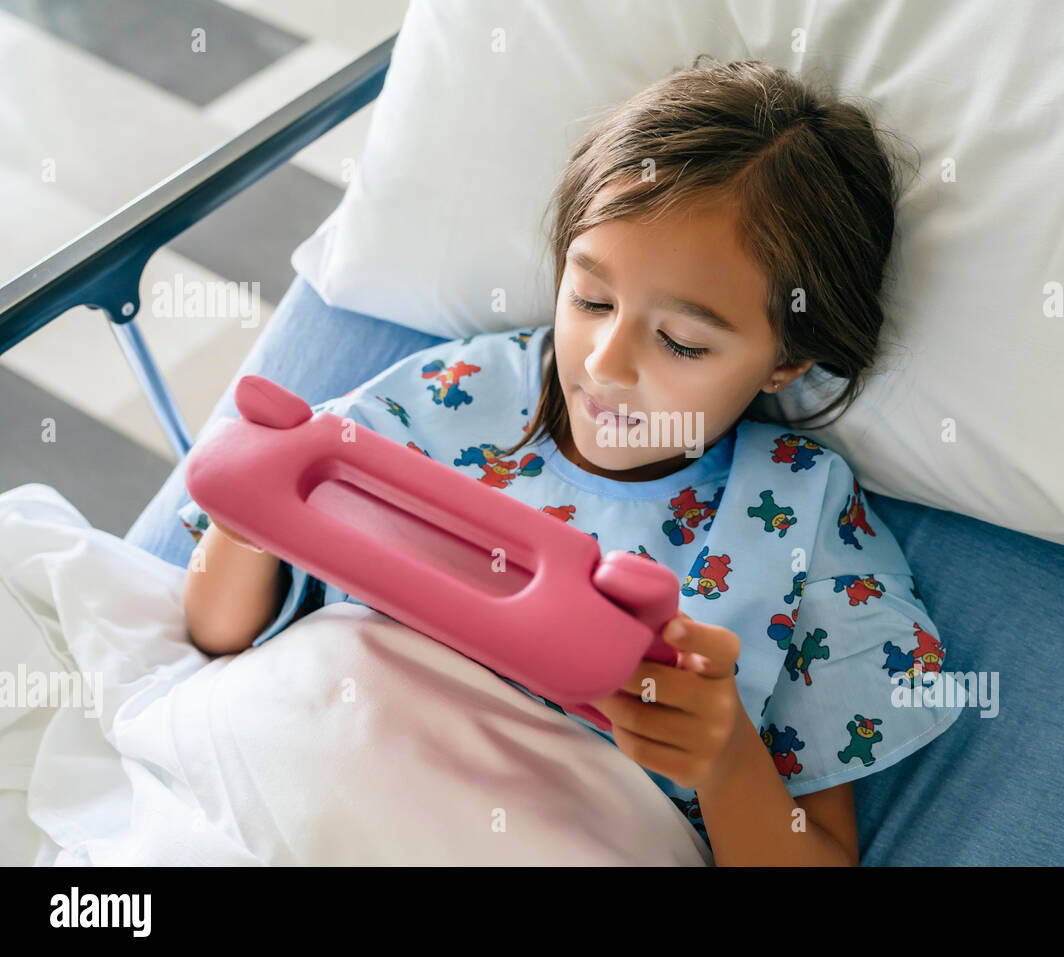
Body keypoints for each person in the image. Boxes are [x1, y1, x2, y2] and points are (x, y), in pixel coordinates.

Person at [179, 56, 964, 866]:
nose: (605, 361)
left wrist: (725, 757)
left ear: (785, 363)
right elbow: (216, 632)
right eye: (590, 299)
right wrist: (248, 516)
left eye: (682, 341)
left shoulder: (800, 519)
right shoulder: (457, 394)